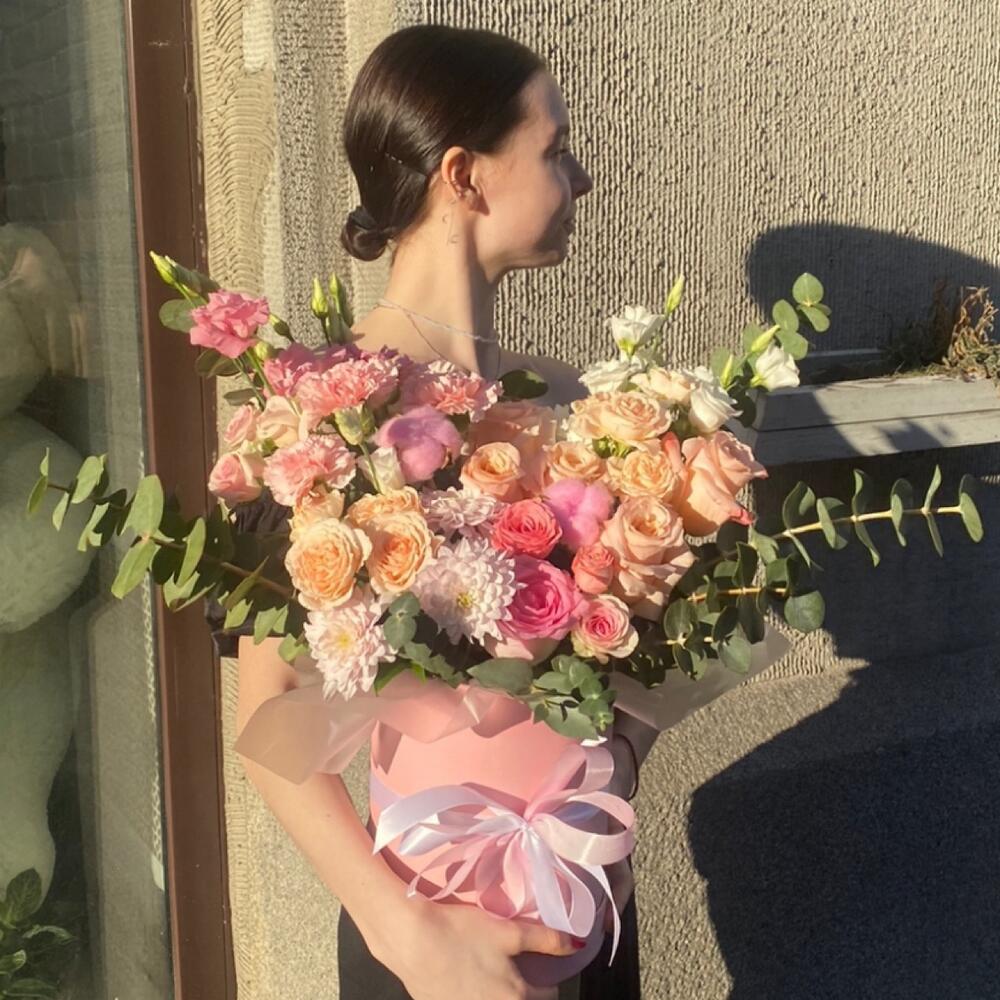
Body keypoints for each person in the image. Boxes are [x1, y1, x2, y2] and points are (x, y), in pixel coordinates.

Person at [235, 24, 660, 1000]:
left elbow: (633, 658)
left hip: (581, 891)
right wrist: (410, 938)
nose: (581, 178)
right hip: (422, 925)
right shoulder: (327, 417)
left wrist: (611, 764)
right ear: (464, 176)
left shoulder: (572, 406)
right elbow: (269, 716)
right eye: (554, 148)